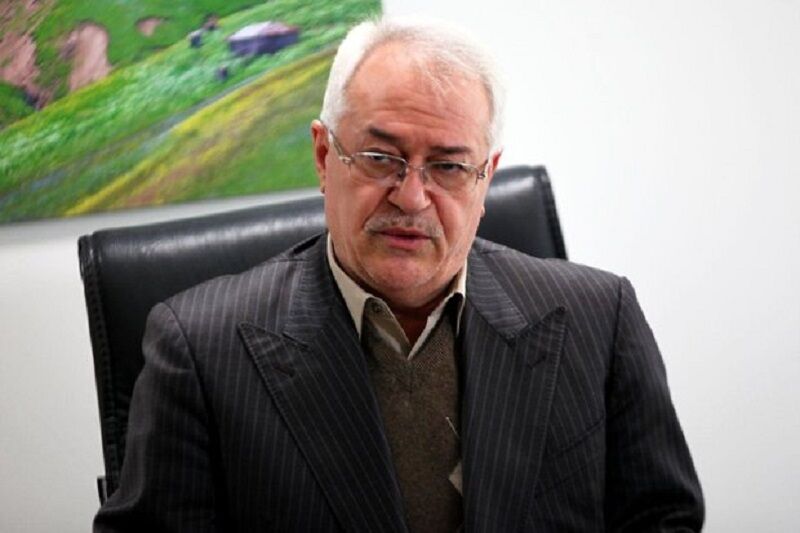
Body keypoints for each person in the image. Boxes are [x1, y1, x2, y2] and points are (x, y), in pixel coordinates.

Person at [94, 17, 703, 532]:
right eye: (381, 158)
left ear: (486, 177)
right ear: (324, 157)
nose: (412, 197)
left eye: (449, 167)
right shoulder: (200, 351)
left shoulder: (599, 318)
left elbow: (662, 518)